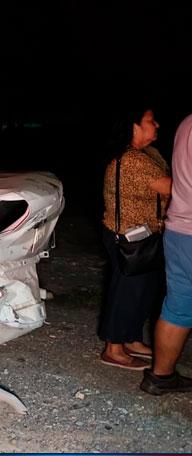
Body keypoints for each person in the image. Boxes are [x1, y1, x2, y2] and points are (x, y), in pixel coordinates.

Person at [97, 107, 172, 370]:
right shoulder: (132, 160)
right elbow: (172, 188)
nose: (157, 125)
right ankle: (113, 348)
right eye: (151, 121)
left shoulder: (147, 154)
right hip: (129, 238)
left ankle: (130, 339)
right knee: (127, 290)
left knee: (143, 289)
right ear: (134, 127)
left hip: (146, 235)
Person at [141, 113, 192, 394]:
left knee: (178, 307)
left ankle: (160, 376)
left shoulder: (186, 123)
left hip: (179, 229)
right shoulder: (135, 160)